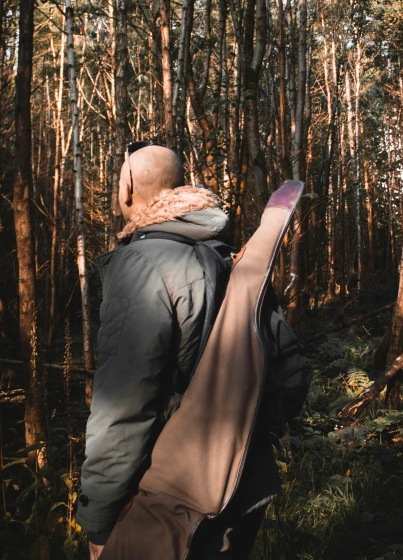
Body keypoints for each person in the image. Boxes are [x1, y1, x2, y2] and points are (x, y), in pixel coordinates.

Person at [76, 144, 280, 559]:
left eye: (118, 181)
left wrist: (99, 522)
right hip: (243, 482)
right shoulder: (229, 256)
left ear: (128, 188)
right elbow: (289, 374)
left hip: (171, 499)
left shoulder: (141, 266)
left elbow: (124, 407)